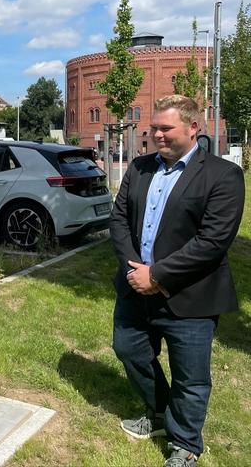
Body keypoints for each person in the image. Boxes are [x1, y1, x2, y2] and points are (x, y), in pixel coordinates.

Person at [109, 95, 244, 467]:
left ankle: (185, 445)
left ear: (193, 128)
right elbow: (119, 221)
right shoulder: (138, 168)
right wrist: (135, 269)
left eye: (165, 128)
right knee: (129, 350)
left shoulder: (223, 175)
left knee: (191, 377)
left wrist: (159, 275)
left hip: (190, 295)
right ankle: (158, 416)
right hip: (136, 287)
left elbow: (213, 242)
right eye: (153, 128)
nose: (156, 135)